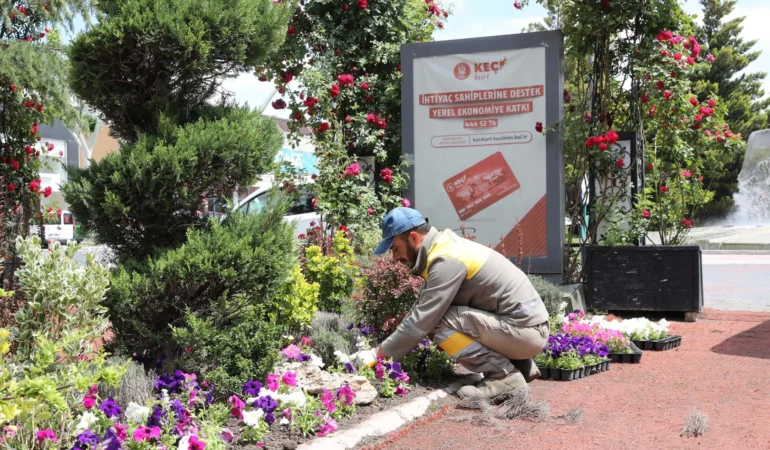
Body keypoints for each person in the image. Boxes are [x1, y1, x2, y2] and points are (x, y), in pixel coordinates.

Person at [353, 207, 549, 399]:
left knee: (436, 323)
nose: (394, 258)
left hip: (526, 333)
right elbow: (422, 305)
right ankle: (521, 366)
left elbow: (422, 320)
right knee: (440, 316)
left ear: (413, 238)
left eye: (395, 248)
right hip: (525, 330)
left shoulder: (446, 261)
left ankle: (503, 376)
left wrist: (377, 354)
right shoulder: (444, 247)